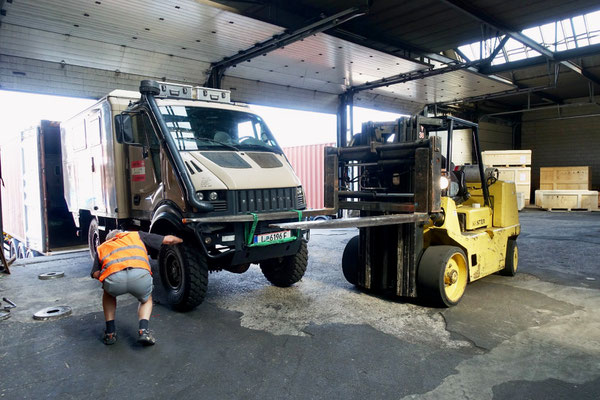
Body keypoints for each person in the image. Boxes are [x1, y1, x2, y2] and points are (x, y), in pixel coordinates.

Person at [90, 230, 182, 346]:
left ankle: (110, 333)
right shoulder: (136, 235)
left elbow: (95, 273)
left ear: (109, 239)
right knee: (146, 299)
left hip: (114, 279)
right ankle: (143, 331)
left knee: (108, 294)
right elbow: (168, 239)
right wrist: (182, 240)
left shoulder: (102, 247)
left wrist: (107, 277)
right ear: (122, 233)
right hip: (140, 276)